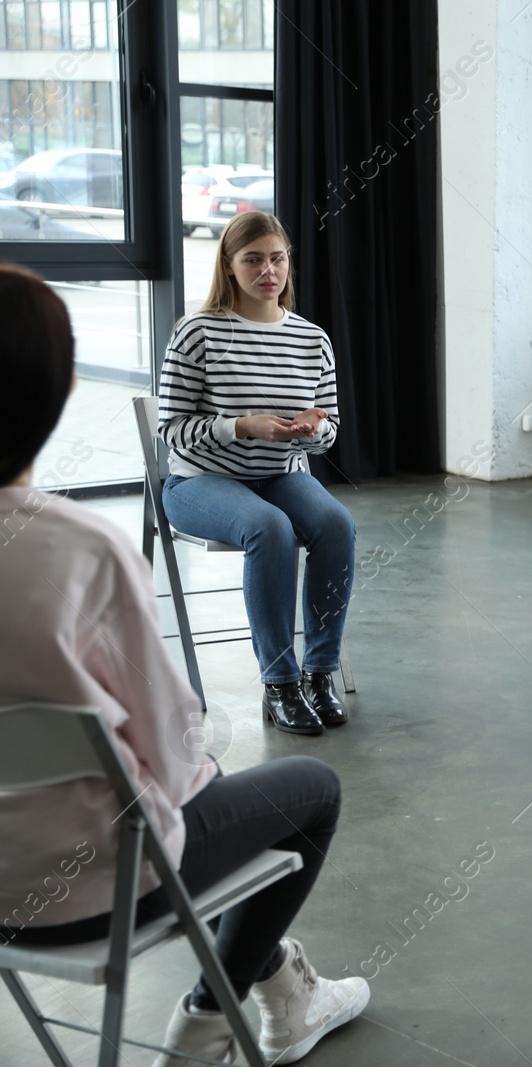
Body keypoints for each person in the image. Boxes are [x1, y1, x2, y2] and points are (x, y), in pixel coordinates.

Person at [0, 265, 367, 1064]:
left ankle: (279, 982)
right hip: (98, 889)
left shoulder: (307, 338)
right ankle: (207, 1020)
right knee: (310, 793)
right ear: (56, 393)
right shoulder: (78, 549)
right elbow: (170, 760)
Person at [158, 210, 354, 735]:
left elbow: (330, 427)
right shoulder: (196, 332)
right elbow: (171, 429)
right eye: (253, 259)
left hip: (279, 475)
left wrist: (314, 430)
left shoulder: (312, 339)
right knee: (270, 527)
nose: (268, 270)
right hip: (198, 482)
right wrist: (241, 427)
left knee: (335, 525)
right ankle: (279, 683)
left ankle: (319, 675)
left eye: (277, 258)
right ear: (228, 264)